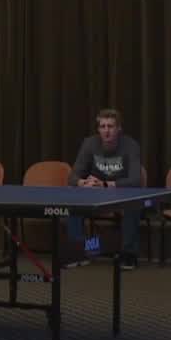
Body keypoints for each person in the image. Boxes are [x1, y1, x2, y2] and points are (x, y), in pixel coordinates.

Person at [65, 109, 143, 270]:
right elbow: (72, 177)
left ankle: (128, 255)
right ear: (98, 129)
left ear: (119, 129)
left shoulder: (131, 145)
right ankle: (79, 251)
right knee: (73, 202)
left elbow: (136, 179)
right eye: (103, 126)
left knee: (134, 205)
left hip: (122, 194)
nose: (106, 131)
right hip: (96, 194)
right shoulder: (89, 143)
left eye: (111, 126)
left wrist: (107, 184)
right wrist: (83, 183)